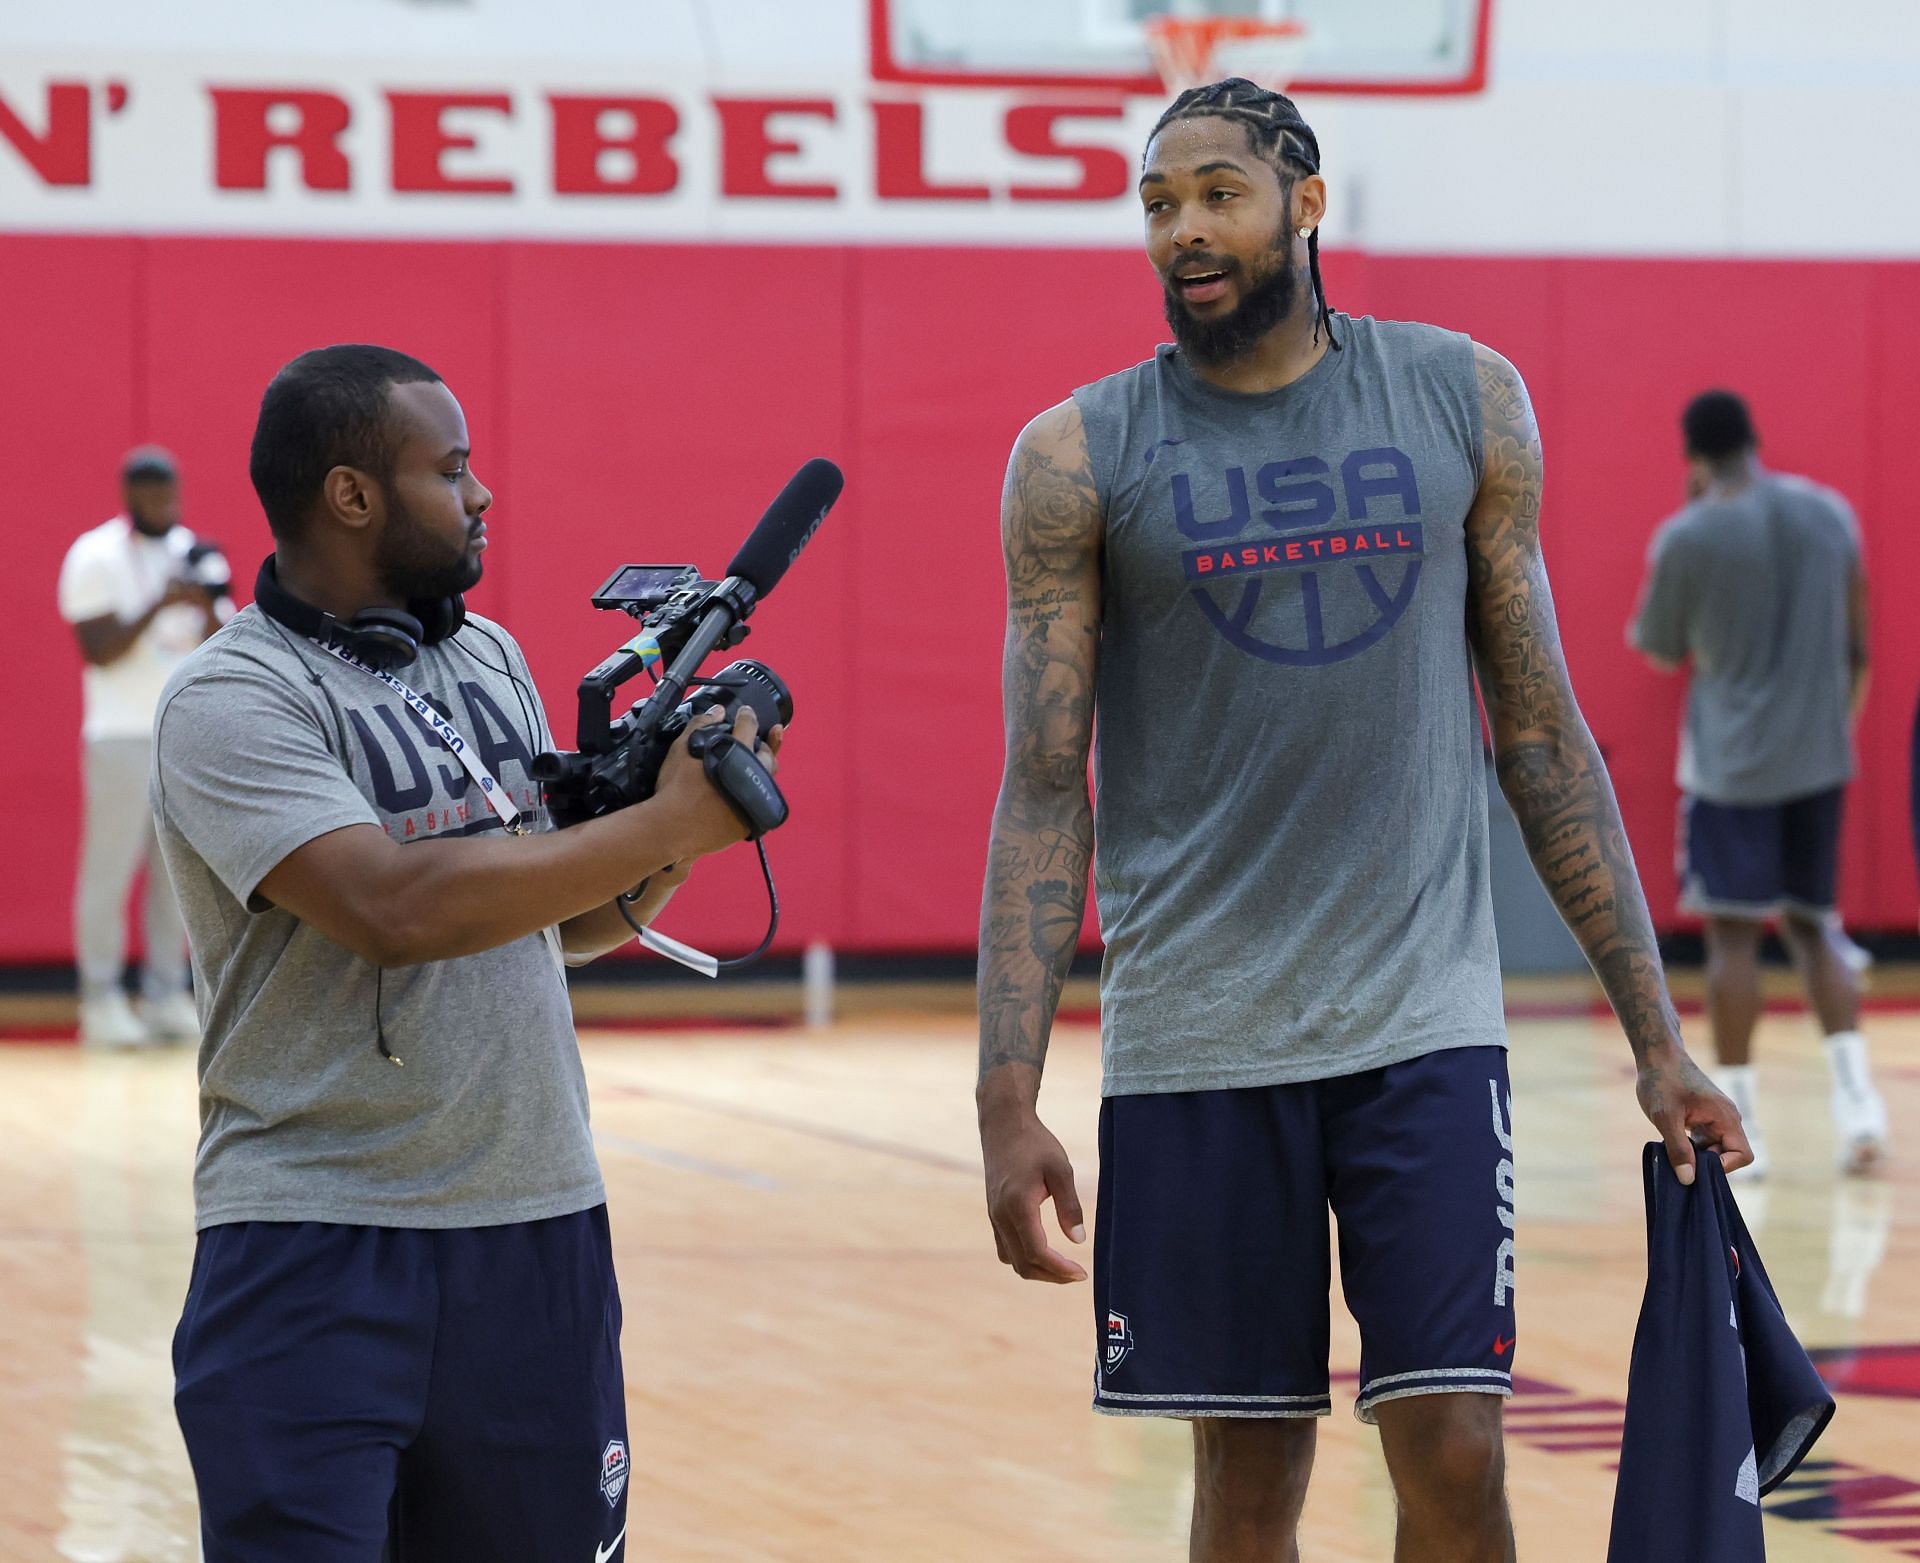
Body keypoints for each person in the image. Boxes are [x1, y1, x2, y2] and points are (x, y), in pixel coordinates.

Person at [975, 79, 1748, 1563]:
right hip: (1199, 1037)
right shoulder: (1075, 459)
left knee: (1456, 1447)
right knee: (1248, 1481)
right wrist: (1007, 1098)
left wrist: (1656, 1038)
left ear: (1306, 204)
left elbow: (1542, 736)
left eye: (1216, 193)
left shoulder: (1462, 397)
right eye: (1156, 203)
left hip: (1424, 1023)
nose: (1182, 230)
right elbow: (1040, 787)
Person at [150, 344, 781, 1562]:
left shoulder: (486, 656)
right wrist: (665, 823)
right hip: (313, 1243)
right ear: (352, 495)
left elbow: (566, 921)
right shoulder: (230, 699)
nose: (482, 495)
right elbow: (392, 907)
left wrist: (683, 823)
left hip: (536, 1226)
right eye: (452, 470)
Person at [1632, 390, 1885, 1180]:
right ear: (1755, 437)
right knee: (1817, 927)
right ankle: (1859, 1106)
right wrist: (1829, 731)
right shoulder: (1829, 512)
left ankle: (1746, 1120)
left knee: (1734, 937)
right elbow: (1858, 646)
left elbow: (1658, 646)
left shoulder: (1690, 533)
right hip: (1818, 756)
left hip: (1733, 767)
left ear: (1693, 455)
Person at [58, 446, 223, 1045]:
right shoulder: (96, 554)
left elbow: (224, 637)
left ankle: (166, 993)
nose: (166, 506)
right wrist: (160, 601)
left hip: (180, 735)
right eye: (153, 497)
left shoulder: (194, 554)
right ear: (130, 497)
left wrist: (202, 601)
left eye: (172, 495)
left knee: (177, 874)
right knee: (109, 870)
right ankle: (99, 998)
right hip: (121, 734)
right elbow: (97, 649)